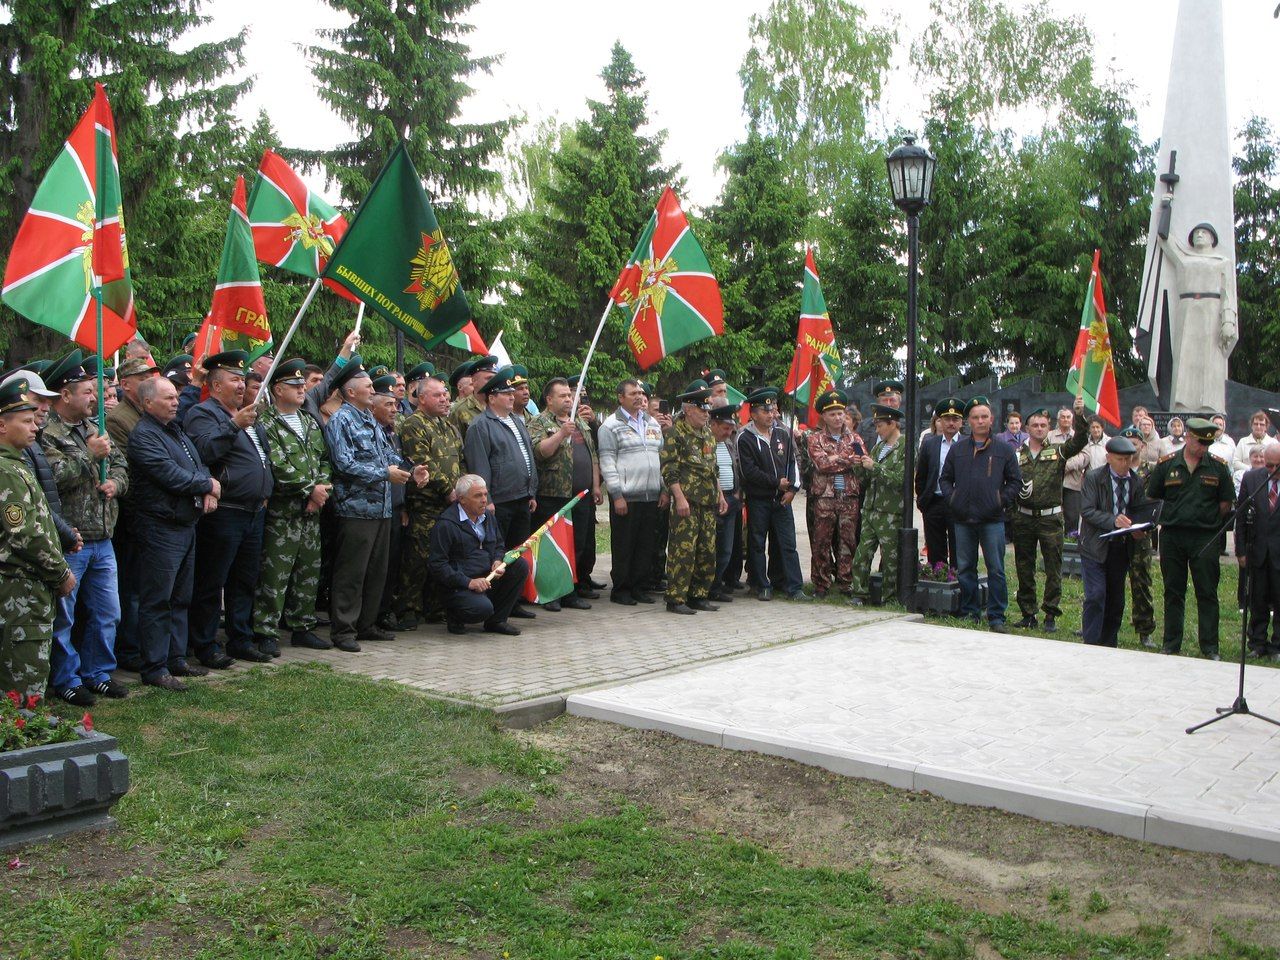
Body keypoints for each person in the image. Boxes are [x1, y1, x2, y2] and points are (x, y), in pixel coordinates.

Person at [40, 351, 130, 704]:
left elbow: (122, 467)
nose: (95, 397)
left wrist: (116, 485)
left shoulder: (96, 428)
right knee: (65, 616)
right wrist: (88, 455)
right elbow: (51, 477)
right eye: (87, 391)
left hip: (103, 536)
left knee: (107, 612)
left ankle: (98, 673)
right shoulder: (45, 432)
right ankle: (66, 678)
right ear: (65, 394)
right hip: (72, 539)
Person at [324, 358, 428, 651]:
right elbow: (344, 464)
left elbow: (387, 456)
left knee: (376, 572)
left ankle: (366, 625)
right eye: (369, 386)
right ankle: (344, 630)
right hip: (356, 509)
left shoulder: (370, 419)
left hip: (382, 509)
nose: (375, 391)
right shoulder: (341, 420)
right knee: (351, 572)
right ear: (351, 392)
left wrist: (410, 471)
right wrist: (385, 474)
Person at [126, 376, 218, 691]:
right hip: (159, 526)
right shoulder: (144, 435)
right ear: (147, 402)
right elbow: (169, 475)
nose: (175, 401)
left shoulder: (175, 430)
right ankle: (154, 667)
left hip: (184, 524)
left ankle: (176, 657)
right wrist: (206, 485)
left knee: (181, 596)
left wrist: (206, 483)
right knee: (158, 599)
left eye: (175, 396)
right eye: (167, 398)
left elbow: (198, 464)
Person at [184, 351, 274, 668]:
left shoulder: (248, 416)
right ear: (216, 385)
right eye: (234, 380)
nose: (241, 385)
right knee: (213, 581)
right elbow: (205, 449)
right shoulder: (202, 413)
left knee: (245, 580)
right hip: (226, 512)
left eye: (242, 379)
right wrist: (234, 425)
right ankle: (205, 645)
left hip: (253, 511)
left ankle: (241, 639)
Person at [0, 376, 75, 699]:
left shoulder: (17, 465)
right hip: (20, 589)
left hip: (30, 588)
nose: (34, 427)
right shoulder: (6, 469)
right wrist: (60, 572)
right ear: (2, 426)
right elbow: (24, 533)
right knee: (23, 686)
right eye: (26, 421)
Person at [251, 359, 332, 653]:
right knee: (275, 573)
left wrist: (320, 489)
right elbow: (276, 464)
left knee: (308, 571)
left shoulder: (310, 421)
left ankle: (302, 626)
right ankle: (266, 631)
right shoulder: (267, 423)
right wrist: (311, 490)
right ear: (278, 389)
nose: (301, 391)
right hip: (283, 512)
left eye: (302, 385)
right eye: (295, 386)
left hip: (312, 512)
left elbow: (324, 460)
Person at [1145, 417, 1234, 659]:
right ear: (1188, 437)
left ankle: (1210, 646)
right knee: (1173, 591)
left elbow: (1226, 502)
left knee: (1207, 592)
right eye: (1200, 443)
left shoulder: (1218, 466)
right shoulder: (1167, 464)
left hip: (1205, 536)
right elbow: (1153, 496)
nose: (1203, 448)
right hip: (1173, 535)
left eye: (1208, 444)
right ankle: (1171, 643)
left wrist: (1206, 518)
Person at [939, 396, 1021, 631]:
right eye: (975, 417)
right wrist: (953, 498)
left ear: (991, 419)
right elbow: (945, 479)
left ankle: (996, 615)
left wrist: (999, 500)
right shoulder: (958, 449)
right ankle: (969, 611)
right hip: (963, 519)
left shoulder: (1004, 449)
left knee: (996, 568)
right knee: (965, 568)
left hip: (992, 519)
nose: (980, 421)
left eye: (984, 416)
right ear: (969, 422)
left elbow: (1015, 482)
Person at [1010, 399, 1087, 631]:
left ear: (1048, 427)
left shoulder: (1058, 451)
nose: (1039, 428)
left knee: (1053, 567)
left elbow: (1080, 440)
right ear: (1026, 428)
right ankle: (1028, 613)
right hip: (1023, 517)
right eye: (1035, 425)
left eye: (1043, 425)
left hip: (1050, 518)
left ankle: (1050, 615)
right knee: (1024, 565)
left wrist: (1079, 416)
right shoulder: (1016, 455)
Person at [396, 375, 463, 629]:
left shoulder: (448, 426)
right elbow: (423, 462)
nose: (445, 399)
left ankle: (435, 607)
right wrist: (449, 490)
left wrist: (463, 490)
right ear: (421, 398)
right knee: (418, 559)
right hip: (425, 505)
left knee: (443, 556)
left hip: (451, 504)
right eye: (438, 395)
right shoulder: (414, 424)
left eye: (446, 394)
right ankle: (408, 609)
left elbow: (461, 461)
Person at [529, 377, 600, 611]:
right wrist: (560, 434)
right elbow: (540, 452)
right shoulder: (539, 421)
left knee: (577, 545)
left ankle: (571, 591)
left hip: (581, 495)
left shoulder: (579, 421)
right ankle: (550, 594)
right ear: (549, 399)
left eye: (570, 395)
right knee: (553, 546)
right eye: (563, 396)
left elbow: (592, 455)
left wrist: (596, 486)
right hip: (554, 496)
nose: (569, 399)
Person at [428, 475, 528, 635]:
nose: (484, 500)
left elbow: (499, 544)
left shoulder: (488, 516)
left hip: (487, 577)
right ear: (462, 499)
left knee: (519, 565)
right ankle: (455, 615)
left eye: (485, 494)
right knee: (481, 609)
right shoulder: (446, 525)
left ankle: (497, 621)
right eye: (478, 496)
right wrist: (468, 582)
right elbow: (437, 566)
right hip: (460, 585)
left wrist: (497, 560)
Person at [659, 382, 726, 614]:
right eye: (702, 410)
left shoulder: (707, 433)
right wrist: (679, 498)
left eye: (707, 410)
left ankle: (699, 594)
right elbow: (669, 469)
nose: (707, 414)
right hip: (686, 500)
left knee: (707, 549)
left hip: (707, 500)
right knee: (683, 550)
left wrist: (720, 494)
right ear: (688, 410)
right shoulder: (675, 433)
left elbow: (712, 467)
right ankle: (676, 598)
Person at [598, 378, 665, 605]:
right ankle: (622, 589)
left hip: (651, 495)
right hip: (626, 496)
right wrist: (617, 495)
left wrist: (664, 489)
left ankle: (639, 587)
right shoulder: (610, 426)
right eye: (632, 393)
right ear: (620, 397)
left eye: (640, 392)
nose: (638, 396)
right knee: (624, 544)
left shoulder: (652, 424)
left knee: (646, 544)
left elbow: (662, 459)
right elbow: (607, 463)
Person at [1079, 436, 1151, 647]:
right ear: (1108, 458)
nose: (1125, 464)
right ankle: (1091, 641)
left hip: (1120, 548)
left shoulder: (1135, 481)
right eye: (1120, 459)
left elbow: (1138, 510)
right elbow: (1088, 510)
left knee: (1115, 599)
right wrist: (1113, 521)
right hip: (1095, 546)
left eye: (1129, 459)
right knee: (1096, 594)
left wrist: (1139, 528)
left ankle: (1109, 643)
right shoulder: (1094, 478)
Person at [737, 387, 807, 602]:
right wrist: (776, 483)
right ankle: (761, 584)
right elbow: (749, 472)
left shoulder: (782, 434)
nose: (771, 415)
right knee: (757, 543)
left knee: (788, 544)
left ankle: (794, 587)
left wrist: (793, 489)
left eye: (773, 410)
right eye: (765, 411)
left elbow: (792, 462)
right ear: (754, 413)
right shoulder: (745, 437)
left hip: (782, 500)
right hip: (759, 500)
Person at [463, 366, 538, 551]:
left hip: (522, 497)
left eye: (512, 393)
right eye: (506, 394)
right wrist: (486, 500)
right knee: (498, 551)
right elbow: (479, 466)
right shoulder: (480, 426)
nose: (512, 397)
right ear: (492, 398)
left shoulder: (516, 420)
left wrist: (531, 492)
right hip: (500, 501)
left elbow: (527, 455)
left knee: (520, 551)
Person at [805, 389, 864, 597]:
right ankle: (821, 583)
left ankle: (846, 582)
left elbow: (860, 462)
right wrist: (845, 459)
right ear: (824, 416)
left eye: (840, 413)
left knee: (848, 540)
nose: (838, 417)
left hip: (848, 495)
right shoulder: (815, 439)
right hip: (824, 497)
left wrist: (834, 458)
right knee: (821, 540)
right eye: (832, 414)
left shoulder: (855, 438)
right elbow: (821, 464)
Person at [848, 403, 905, 606]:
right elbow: (866, 478)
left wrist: (876, 467)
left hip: (890, 512)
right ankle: (859, 593)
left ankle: (889, 598)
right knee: (863, 553)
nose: (877, 430)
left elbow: (901, 480)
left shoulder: (905, 446)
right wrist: (859, 466)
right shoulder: (878, 447)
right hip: (871, 509)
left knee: (890, 557)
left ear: (892, 424)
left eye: (880, 425)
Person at [1235, 444, 1280, 661]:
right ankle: (1257, 643)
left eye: (1275, 466)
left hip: (1279, 553)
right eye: (1267, 465)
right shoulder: (1252, 478)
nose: (1270, 470)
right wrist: (1241, 550)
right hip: (1258, 551)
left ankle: (1277, 646)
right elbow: (1241, 517)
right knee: (1257, 600)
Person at [915, 397, 963, 570]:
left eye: (955, 419)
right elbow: (921, 475)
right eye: (947, 419)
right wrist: (923, 501)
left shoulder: (967, 444)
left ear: (961, 422)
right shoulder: (930, 444)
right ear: (939, 421)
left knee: (959, 547)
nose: (951, 423)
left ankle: (958, 582)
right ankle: (939, 581)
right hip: (934, 502)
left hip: (958, 504)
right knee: (935, 549)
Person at [1123, 427, 1159, 649]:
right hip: (1118, 531)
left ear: (1142, 446)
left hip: (1141, 534)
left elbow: (1155, 501)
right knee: (1110, 580)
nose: (1132, 447)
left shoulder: (1152, 471)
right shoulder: (1116, 468)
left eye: (1135, 443)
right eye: (1128, 443)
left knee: (1141, 581)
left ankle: (1145, 630)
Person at [708, 399, 742, 603]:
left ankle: (717, 584)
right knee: (710, 547)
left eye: (731, 429)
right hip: (713, 501)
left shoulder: (729, 444)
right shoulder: (706, 443)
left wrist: (737, 493)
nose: (728, 432)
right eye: (724, 428)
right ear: (713, 425)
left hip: (731, 500)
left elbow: (736, 468)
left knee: (726, 550)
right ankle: (707, 586)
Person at [1063, 416, 1108, 534]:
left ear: (1102, 428)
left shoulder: (1109, 442)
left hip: (1104, 480)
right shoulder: (1084, 444)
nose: (1095, 430)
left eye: (1098, 427)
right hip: (1088, 481)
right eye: (1093, 427)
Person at [448, 355, 498, 438]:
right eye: (488, 379)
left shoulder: (500, 405)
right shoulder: (459, 410)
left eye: (495, 379)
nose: (493, 382)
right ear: (474, 381)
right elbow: (455, 444)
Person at [1232, 411, 1279, 482]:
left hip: (1268, 479)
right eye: (1256, 424)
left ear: (1266, 427)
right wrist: (1251, 469)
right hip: (1246, 478)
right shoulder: (1243, 442)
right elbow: (1235, 462)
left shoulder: (1273, 443)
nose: (1258, 427)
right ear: (1251, 426)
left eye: (1262, 424)